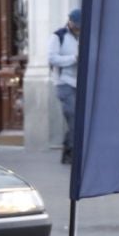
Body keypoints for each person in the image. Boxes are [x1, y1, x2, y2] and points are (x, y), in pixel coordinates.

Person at [49, 8, 81, 164]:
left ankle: (68, 151)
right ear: (70, 21)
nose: (78, 28)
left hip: (80, 83)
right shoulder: (58, 36)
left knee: (78, 119)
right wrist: (73, 59)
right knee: (74, 116)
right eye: (76, 24)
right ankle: (73, 154)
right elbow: (52, 58)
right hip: (64, 83)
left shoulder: (85, 34)